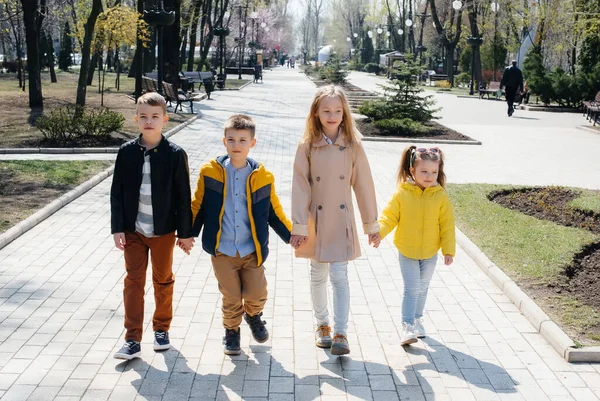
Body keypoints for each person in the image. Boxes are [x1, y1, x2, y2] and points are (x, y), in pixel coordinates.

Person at [190, 114, 293, 355]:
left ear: (252, 143)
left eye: (243, 140)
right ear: (224, 141)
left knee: (257, 293)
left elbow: (274, 212)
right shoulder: (210, 172)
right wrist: (188, 234)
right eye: (232, 140)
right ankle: (231, 331)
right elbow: (198, 205)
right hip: (222, 249)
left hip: (251, 249)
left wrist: (291, 235)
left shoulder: (263, 177)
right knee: (231, 296)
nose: (237, 145)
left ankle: (253, 315)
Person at [290, 85, 380, 356]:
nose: (332, 115)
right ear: (316, 112)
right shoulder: (307, 145)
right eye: (326, 110)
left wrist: (371, 225)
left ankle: (341, 332)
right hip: (316, 220)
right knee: (318, 275)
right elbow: (300, 186)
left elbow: (364, 185)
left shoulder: (353, 144)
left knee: (340, 276)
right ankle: (322, 326)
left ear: (344, 113)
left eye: (337, 111)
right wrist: (299, 226)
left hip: (341, 220)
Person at [111, 92, 194, 360]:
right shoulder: (126, 153)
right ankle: (132, 338)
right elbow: (117, 192)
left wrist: (185, 233)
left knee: (163, 280)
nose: (149, 121)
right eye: (144, 117)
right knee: (133, 281)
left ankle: (161, 329)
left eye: (155, 117)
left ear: (165, 120)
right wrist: (118, 227)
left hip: (163, 231)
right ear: (136, 119)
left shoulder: (175, 154)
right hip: (133, 230)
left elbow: (184, 195)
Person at [374, 146, 455, 346]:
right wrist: (379, 233)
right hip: (407, 251)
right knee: (412, 288)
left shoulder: (440, 196)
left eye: (434, 172)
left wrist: (448, 250)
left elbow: (447, 225)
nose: (429, 176)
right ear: (412, 171)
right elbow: (389, 217)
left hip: (430, 252)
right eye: (424, 171)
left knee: (423, 287)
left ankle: (418, 319)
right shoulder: (402, 194)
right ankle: (407, 326)